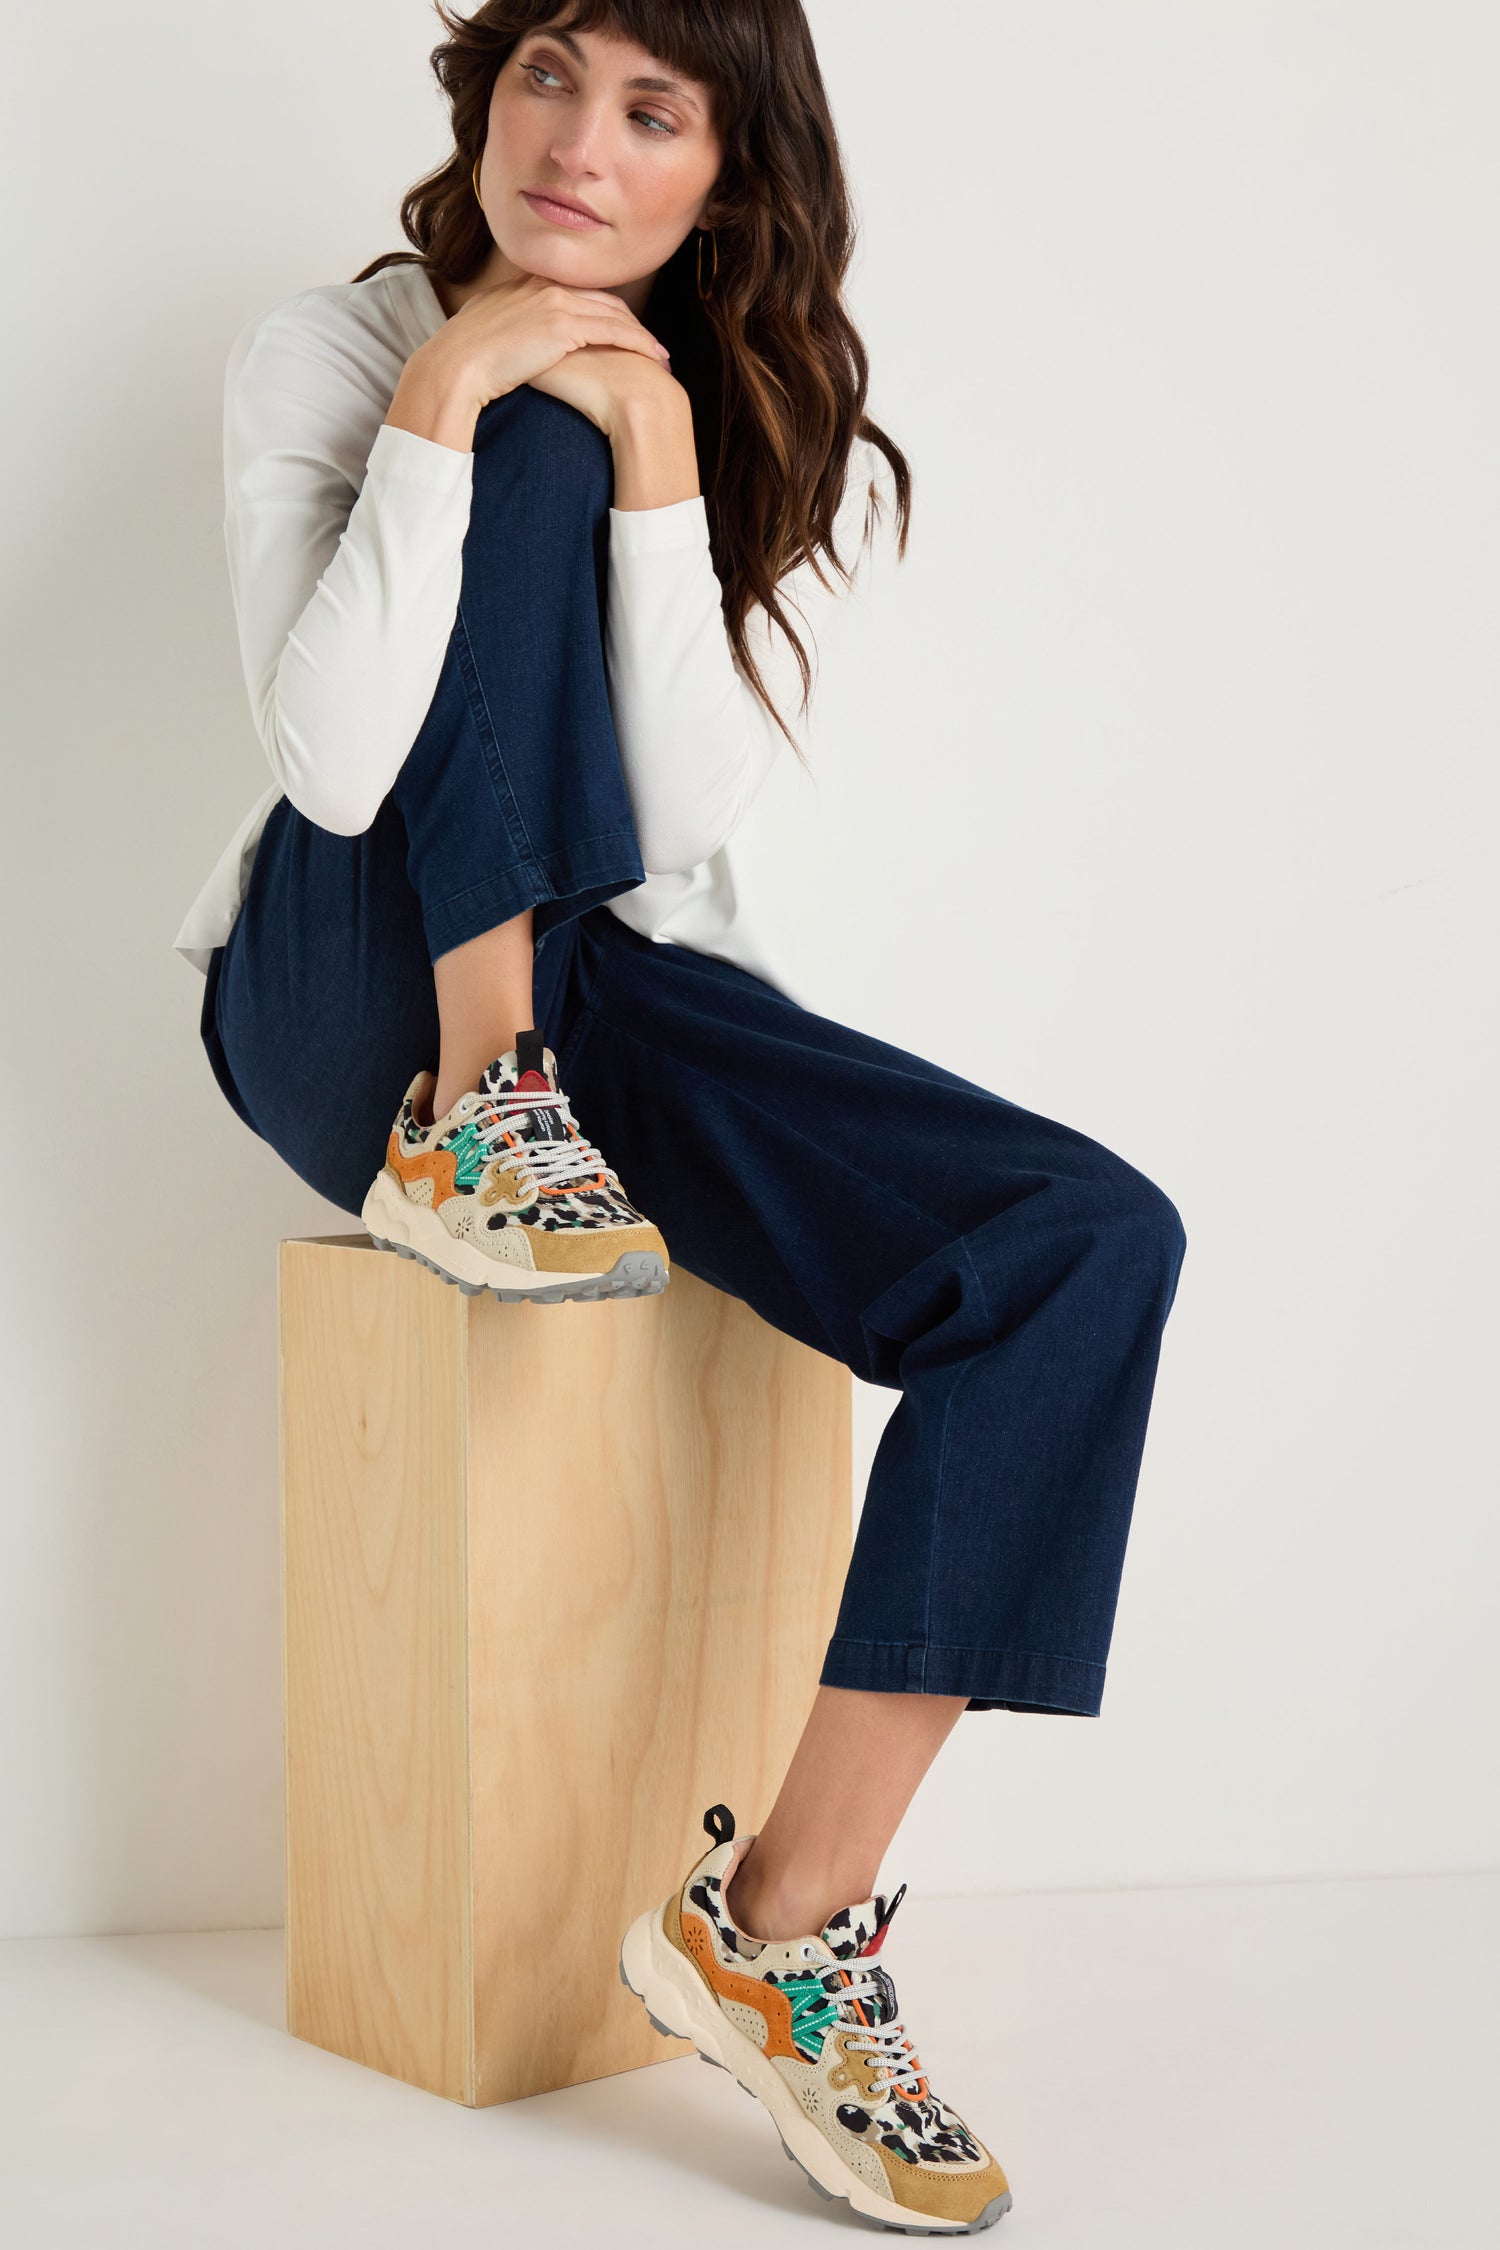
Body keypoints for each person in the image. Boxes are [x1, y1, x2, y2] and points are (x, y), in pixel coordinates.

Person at [173, 3, 1187, 2230]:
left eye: (653, 110)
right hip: (346, 992)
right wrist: (456, 396)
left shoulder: (690, 400)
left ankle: (781, 1931)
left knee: (1089, 1244)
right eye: (551, 74)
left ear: (721, 176)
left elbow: (685, 815)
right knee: (519, 441)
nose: (579, 142)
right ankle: (481, 1105)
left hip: (603, 979)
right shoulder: (332, 352)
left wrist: (648, 461)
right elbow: (333, 765)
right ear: (486, 91)